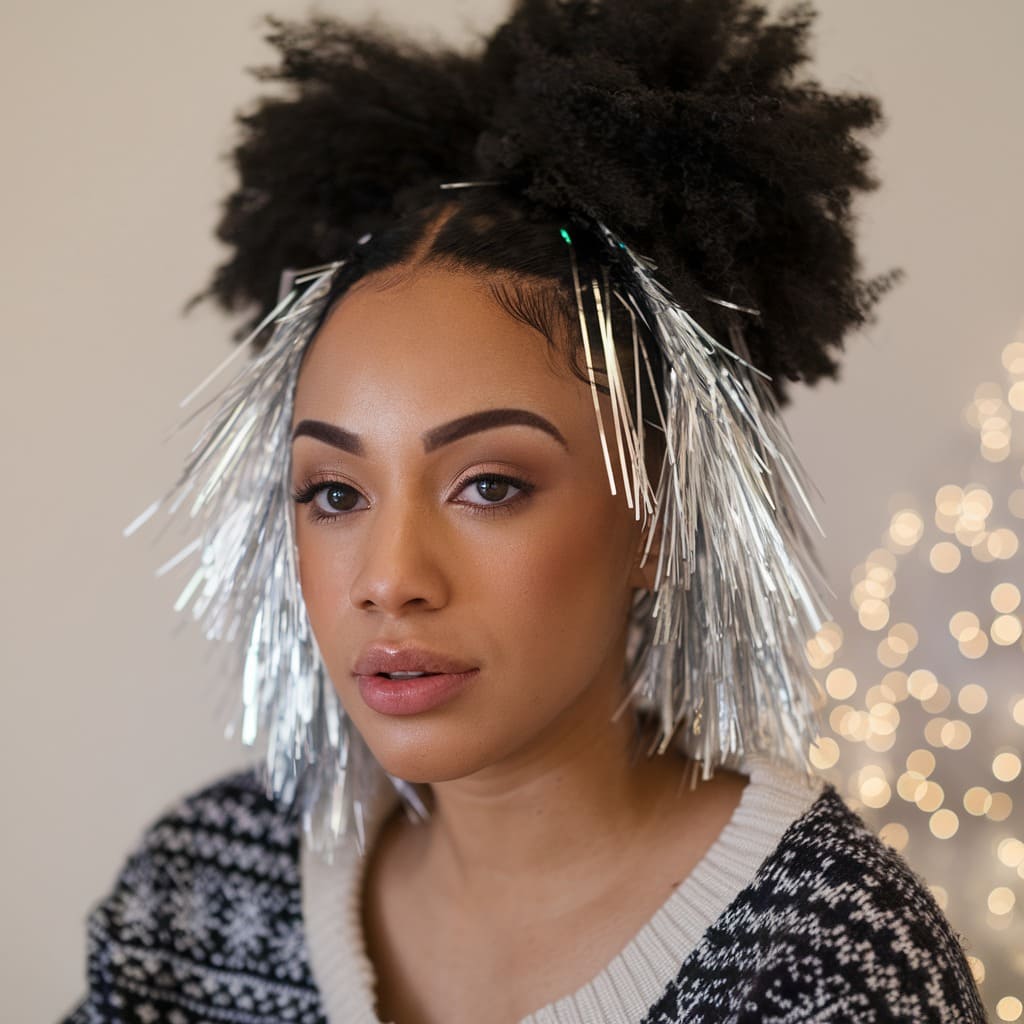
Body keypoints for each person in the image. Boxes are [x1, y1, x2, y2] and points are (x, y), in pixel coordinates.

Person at [63, 2, 986, 1022]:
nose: (387, 576)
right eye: (334, 492)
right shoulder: (195, 896)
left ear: (660, 516)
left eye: (489, 485)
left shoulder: (828, 966)